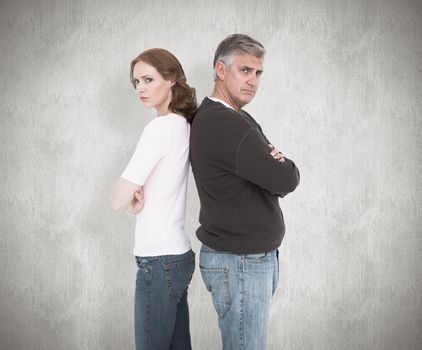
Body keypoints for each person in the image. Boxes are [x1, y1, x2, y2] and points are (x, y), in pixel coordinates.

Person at [190, 34, 300, 349]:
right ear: (221, 70)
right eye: (245, 70)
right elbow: (285, 180)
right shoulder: (226, 123)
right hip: (240, 264)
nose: (253, 80)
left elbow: (272, 172)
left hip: (242, 261)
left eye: (258, 73)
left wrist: (277, 165)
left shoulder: (234, 116)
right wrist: (283, 164)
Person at [111, 48, 197, 350]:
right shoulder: (184, 125)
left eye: (148, 79)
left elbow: (119, 198)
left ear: (172, 79)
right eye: (136, 82)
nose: (141, 89)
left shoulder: (159, 129)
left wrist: (130, 203)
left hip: (158, 261)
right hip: (178, 256)